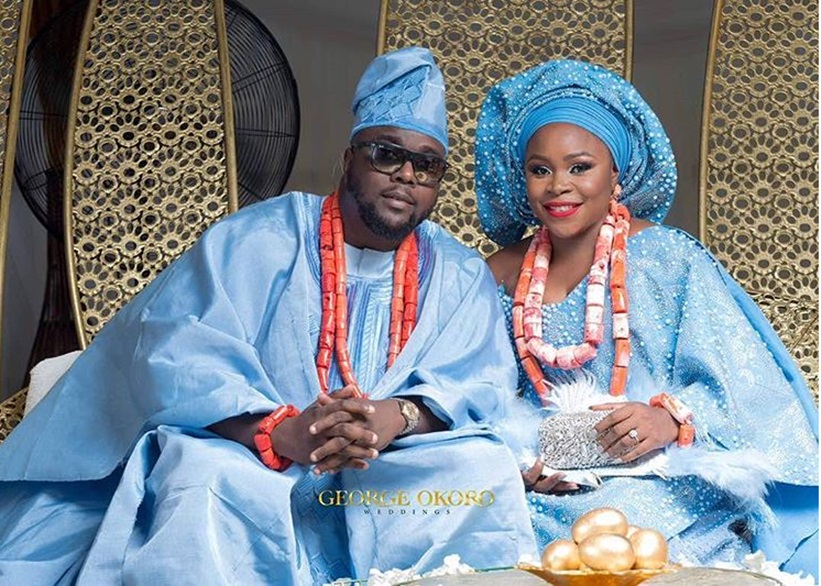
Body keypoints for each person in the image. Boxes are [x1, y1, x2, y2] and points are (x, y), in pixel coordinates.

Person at [0, 47, 536, 585]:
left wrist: (395, 417)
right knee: (201, 472)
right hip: (256, 458)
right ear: (349, 157)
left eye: (427, 165)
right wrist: (279, 433)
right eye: (386, 154)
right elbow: (178, 357)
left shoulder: (459, 272)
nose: (406, 176)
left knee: (480, 470)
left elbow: (480, 383)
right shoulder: (256, 239)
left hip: (388, 469)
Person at [474, 59, 818, 577]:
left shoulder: (667, 258)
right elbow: (475, 394)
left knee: (615, 532)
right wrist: (518, 458)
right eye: (540, 170)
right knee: (471, 520)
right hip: (543, 487)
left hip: (660, 479)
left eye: (579, 167)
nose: (558, 185)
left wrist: (668, 419)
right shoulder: (499, 274)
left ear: (616, 172)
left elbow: (746, 386)